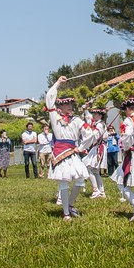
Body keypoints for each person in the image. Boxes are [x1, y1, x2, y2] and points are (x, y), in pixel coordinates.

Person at [45, 76, 94, 221]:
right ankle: (66, 212)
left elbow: (89, 133)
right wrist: (58, 83)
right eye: (67, 105)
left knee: (80, 180)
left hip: (72, 153)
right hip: (60, 152)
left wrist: (80, 147)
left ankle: (70, 205)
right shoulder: (54, 117)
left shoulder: (77, 120)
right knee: (64, 181)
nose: (70, 106)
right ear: (59, 107)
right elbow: (49, 98)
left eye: (71, 104)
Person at [81, 108, 108, 198]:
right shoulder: (95, 123)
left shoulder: (100, 124)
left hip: (98, 148)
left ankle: (96, 189)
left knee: (88, 167)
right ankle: (102, 191)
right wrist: (85, 109)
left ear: (100, 115)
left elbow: (94, 135)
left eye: (96, 114)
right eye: (93, 114)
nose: (93, 115)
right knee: (95, 171)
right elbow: (88, 118)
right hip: (96, 147)